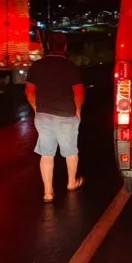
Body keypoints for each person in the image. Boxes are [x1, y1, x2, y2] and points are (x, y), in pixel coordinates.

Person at [25, 32, 85, 202]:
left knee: (46, 154)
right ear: (65, 47)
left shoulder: (37, 66)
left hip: (43, 115)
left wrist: (37, 108)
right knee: (70, 152)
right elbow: (78, 93)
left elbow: (29, 92)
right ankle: (71, 183)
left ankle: (48, 192)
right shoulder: (71, 67)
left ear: (46, 47)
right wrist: (78, 109)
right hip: (66, 115)